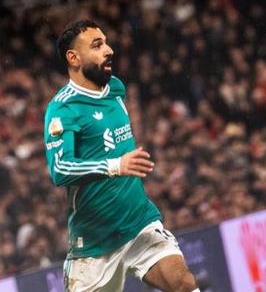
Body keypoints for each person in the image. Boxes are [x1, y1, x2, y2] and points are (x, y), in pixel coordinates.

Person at [44, 20, 200, 292]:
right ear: (73, 58)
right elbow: (60, 169)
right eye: (97, 45)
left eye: (106, 43)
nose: (109, 50)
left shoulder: (115, 88)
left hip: (139, 223)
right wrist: (116, 165)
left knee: (183, 283)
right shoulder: (63, 109)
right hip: (94, 245)